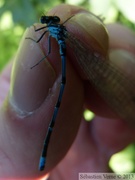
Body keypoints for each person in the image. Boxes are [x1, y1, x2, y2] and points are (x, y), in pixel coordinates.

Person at [0, 4, 135, 180]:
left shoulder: (54, 32)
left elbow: (47, 50)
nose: (48, 21)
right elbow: (46, 49)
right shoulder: (54, 30)